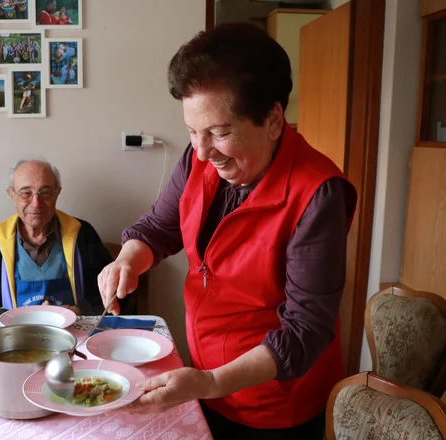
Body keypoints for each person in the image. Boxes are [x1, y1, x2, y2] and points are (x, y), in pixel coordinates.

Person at [97, 23, 357, 439]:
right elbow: (159, 229)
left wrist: (213, 381)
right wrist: (128, 258)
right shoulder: (200, 157)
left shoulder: (318, 194)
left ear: (273, 120)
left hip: (273, 405)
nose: (202, 151)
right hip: (202, 380)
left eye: (220, 132)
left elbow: (305, 331)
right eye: (191, 132)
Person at [0, 159, 115, 316]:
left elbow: (114, 295)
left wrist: (79, 310)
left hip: (73, 334)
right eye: (26, 193)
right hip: (14, 335)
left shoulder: (82, 234)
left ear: (56, 193)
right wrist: (13, 317)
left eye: (44, 193)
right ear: (11, 195)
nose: (36, 203)